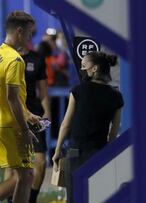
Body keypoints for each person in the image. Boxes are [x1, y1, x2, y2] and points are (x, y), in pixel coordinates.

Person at [52, 51, 124, 203]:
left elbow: (66, 124)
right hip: (100, 153)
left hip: (76, 153)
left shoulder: (78, 90)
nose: (82, 69)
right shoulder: (116, 96)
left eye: (84, 66)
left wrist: (57, 151)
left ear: (95, 69)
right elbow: (113, 133)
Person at [0, 11, 39, 203]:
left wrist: (28, 114)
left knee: (19, 175)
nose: (31, 38)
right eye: (30, 33)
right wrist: (24, 129)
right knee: (26, 176)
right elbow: (12, 97)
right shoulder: (15, 60)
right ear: (19, 31)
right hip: (11, 125)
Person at [5, 35, 51, 203]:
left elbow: (43, 91)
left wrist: (47, 111)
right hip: (13, 116)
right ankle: (11, 199)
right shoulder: (5, 57)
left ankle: (31, 199)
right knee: (12, 165)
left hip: (35, 117)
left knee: (40, 162)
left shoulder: (37, 59)